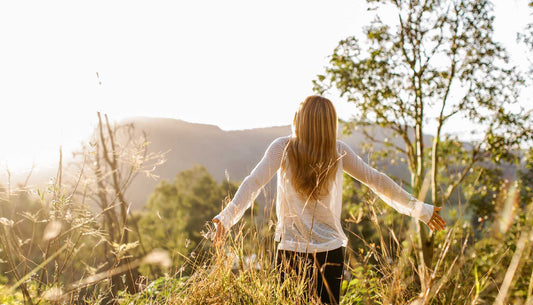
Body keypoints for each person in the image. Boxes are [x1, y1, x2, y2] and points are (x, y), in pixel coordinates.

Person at [211, 95, 446, 304]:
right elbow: (377, 180)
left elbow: (254, 183)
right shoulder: (334, 150)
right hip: (329, 253)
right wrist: (420, 209)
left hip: (290, 252)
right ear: (329, 125)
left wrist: (227, 217)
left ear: (299, 120)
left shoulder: (285, 147)